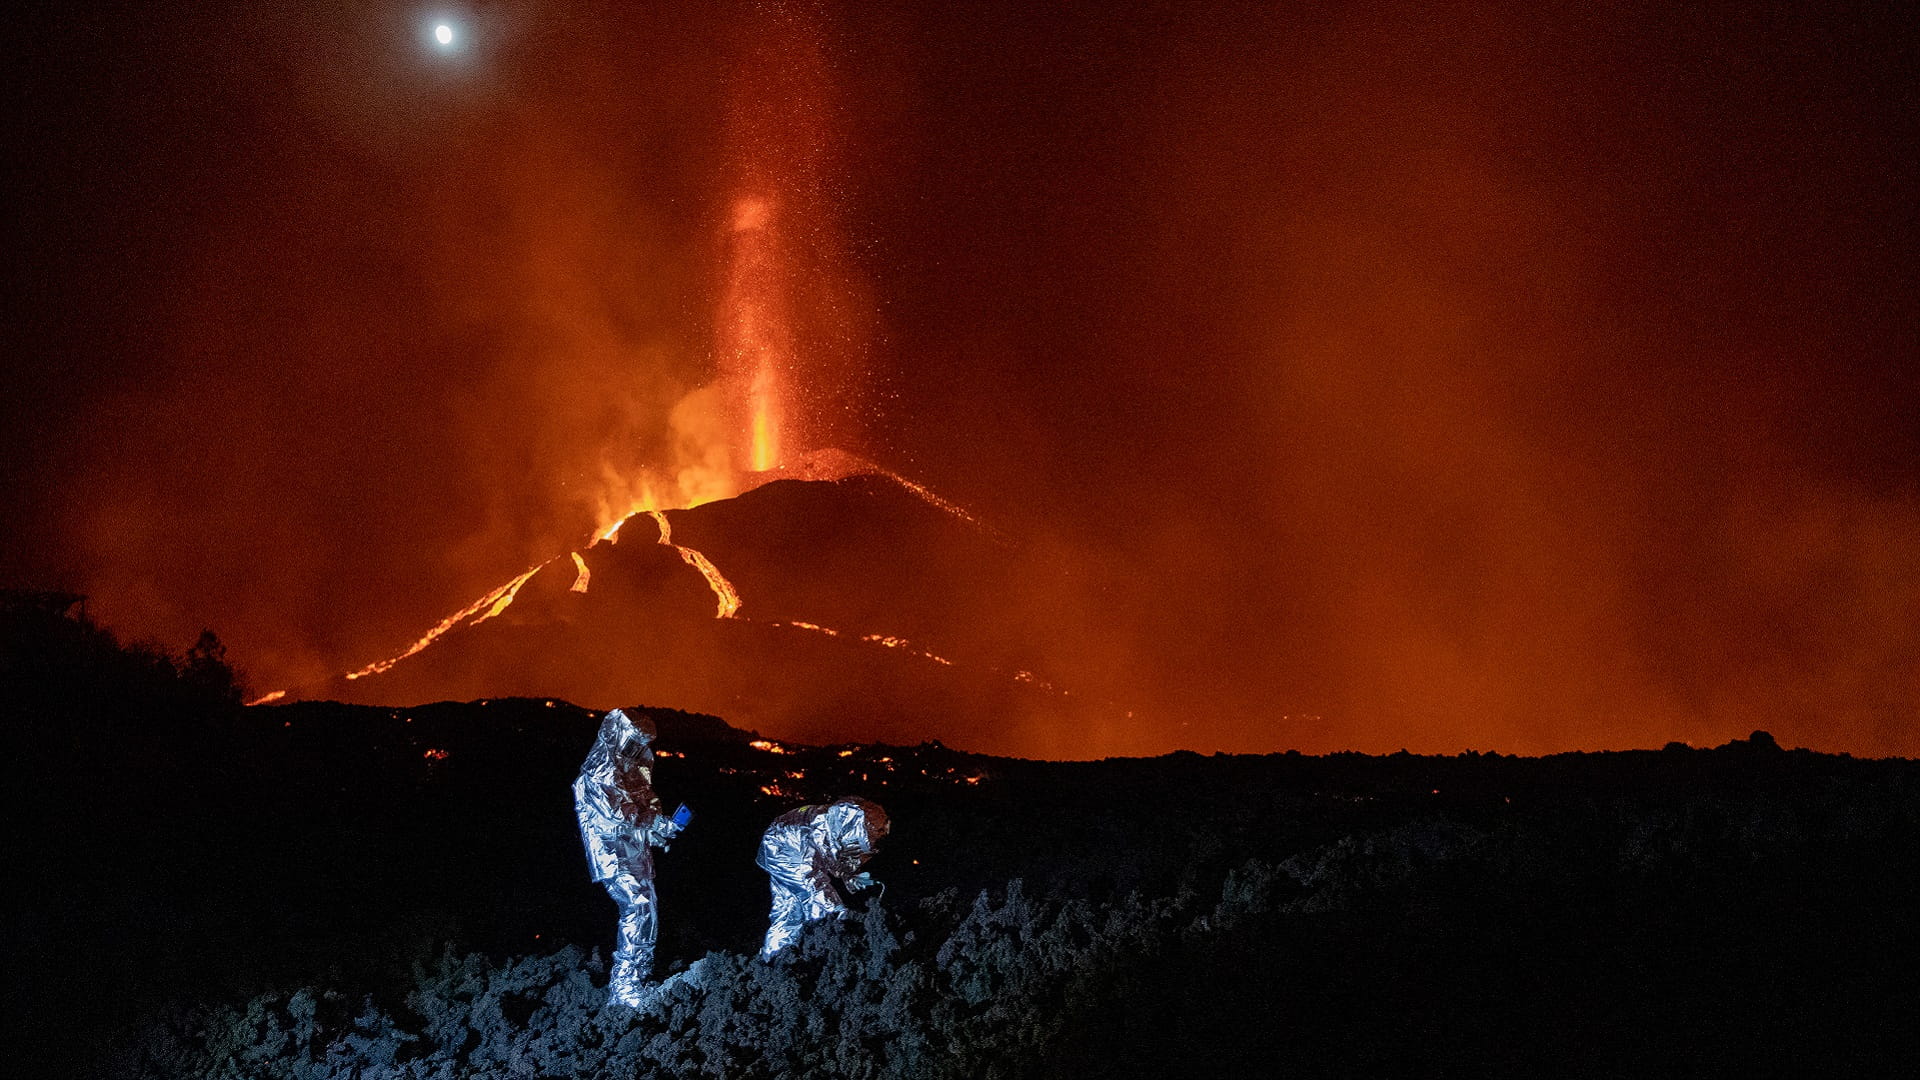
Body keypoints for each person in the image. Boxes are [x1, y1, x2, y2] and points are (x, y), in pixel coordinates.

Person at [572, 708, 689, 1006]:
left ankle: (636, 981)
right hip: (614, 855)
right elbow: (618, 813)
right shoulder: (599, 772)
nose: (637, 750)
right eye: (633, 743)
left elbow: (642, 806)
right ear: (617, 736)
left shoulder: (632, 769)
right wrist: (654, 823)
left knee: (646, 911)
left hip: (635, 852)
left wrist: (657, 830)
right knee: (637, 908)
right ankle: (625, 988)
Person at [755, 796, 889, 960]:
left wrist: (850, 876)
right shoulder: (806, 836)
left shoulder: (836, 824)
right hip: (783, 849)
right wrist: (836, 911)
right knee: (808, 904)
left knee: (791, 908)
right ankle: (817, 951)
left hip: (782, 843)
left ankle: (776, 957)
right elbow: (812, 881)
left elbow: (834, 853)